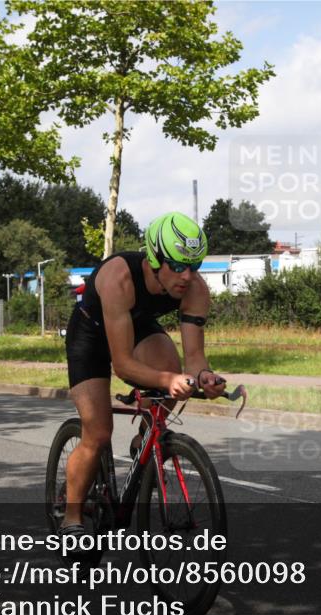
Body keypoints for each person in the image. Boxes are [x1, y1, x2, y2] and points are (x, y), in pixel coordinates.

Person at [60, 212, 225, 537]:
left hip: (137, 327)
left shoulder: (195, 289)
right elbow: (122, 365)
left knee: (175, 372)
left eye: (195, 266)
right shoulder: (118, 277)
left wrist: (203, 376)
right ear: (155, 258)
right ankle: (71, 518)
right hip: (90, 337)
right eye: (178, 265)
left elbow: (194, 359)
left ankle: (145, 441)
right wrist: (167, 381)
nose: (187, 276)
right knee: (98, 431)